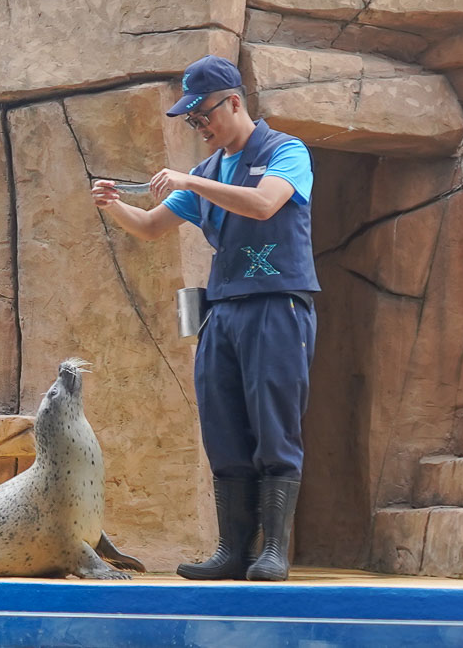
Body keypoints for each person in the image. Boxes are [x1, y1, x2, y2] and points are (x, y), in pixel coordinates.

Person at [91, 55, 318, 582]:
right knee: (223, 429)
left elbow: (264, 205)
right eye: (192, 122)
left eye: (203, 117)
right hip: (224, 311)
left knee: (274, 427)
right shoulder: (207, 171)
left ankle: (274, 551)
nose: (200, 128)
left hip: (277, 304)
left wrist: (191, 185)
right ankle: (232, 550)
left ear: (233, 101)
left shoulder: (286, 151)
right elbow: (150, 226)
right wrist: (113, 206)